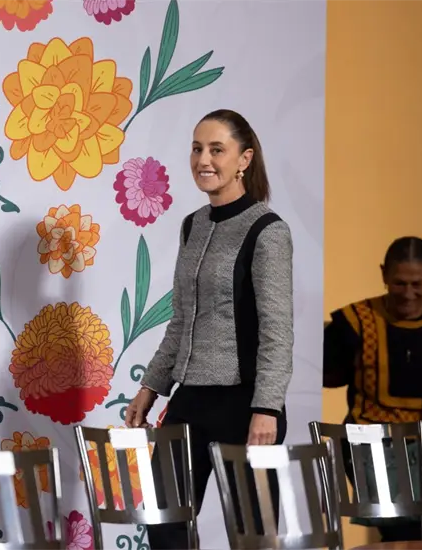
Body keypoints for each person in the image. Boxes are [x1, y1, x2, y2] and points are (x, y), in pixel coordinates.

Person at [124, 109, 294, 550]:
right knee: (165, 529)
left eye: (217, 149)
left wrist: (267, 409)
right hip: (190, 401)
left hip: (244, 404)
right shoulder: (193, 225)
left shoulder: (267, 230)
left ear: (244, 159)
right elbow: (182, 319)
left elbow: (278, 331)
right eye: (197, 148)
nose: (204, 159)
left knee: (255, 537)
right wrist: (151, 388)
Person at [323, 236, 422, 543]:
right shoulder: (355, 321)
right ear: (383, 274)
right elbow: (327, 372)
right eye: (399, 283)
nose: (408, 294)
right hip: (370, 447)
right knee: (403, 533)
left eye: (417, 284)